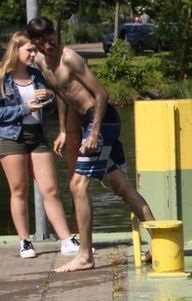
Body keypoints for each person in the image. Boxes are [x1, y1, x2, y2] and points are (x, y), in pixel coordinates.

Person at [26, 16, 155, 272]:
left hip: (102, 119)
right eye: (43, 43)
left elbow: (101, 94)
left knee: (77, 185)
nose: (50, 46)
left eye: (52, 40)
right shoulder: (42, 62)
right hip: (88, 121)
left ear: (56, 34)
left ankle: (85, 255)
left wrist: (94, 132)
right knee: (120, 186)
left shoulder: (70, 58)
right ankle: (159, 241)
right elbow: (62, 94)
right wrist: (63, 129)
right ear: (35, 43)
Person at [0, 32, 79, 259]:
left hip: (37, 135)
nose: (34, 54)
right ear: (16, 51)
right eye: (30, 50)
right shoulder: (2, 77)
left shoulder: (36, 75)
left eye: (35, 50)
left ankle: (66, 239)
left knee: (51, 189)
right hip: (10, 137)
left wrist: (49, 98)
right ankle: (25, 241)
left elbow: (50, 106)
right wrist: (26, 108)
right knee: (19, 190)